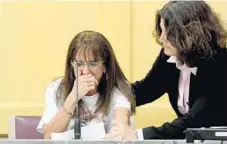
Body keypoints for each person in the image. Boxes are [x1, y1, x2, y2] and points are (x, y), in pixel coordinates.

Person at [105, 1, 227, 139]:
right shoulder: (170, 57)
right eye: (161, 30)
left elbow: (195, 121)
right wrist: (105, 90)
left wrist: (138, 134)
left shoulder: (219, 62)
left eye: (168, 32)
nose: (162, 38)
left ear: (189, 34)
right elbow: (146, 90)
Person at [36, 30, 136, 139]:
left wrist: (122, 129)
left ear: (105, 66)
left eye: (93, 64)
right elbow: (49, 136)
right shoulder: (56, 88)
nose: (86, 71)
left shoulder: (118, 88)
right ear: (71, 65)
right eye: (79, 64)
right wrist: (74, 96)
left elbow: (121, 121)